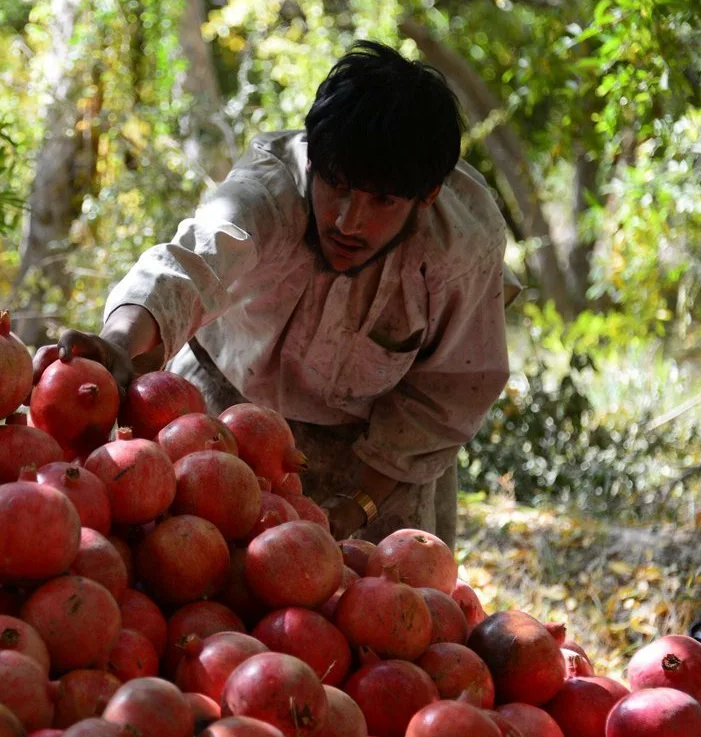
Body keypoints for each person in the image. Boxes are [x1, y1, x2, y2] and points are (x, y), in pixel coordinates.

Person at [43, 40, 516, 547]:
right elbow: (189, 263)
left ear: (426, 197)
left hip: (381, 451)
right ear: (314, 160)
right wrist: (116, 343)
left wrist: (357, 505)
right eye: (337, 186)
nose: (347, 221)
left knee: (387, 603)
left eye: (382, 201)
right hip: (219, 404)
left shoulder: (462, 248)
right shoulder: (267, 191)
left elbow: (446, 395)